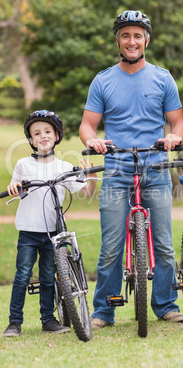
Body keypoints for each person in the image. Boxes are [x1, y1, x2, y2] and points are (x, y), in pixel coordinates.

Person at [79, 10, 183, 328]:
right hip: (116, 171)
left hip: (155, 170)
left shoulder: (162, 78)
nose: (131, 41)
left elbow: (179, 122)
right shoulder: (103, 80)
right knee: (111, 245)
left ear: (147, 40)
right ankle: (104, 311)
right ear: (118, 40)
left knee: (164, 244)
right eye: (125, 35)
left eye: (137, 35)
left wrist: (174, 135)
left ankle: (166, 304)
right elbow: (87, 125)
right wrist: (94, 141)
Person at [3, 110, 97, 337]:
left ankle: (48, 319)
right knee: (22, 275)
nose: (42, 136)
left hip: (53, 232)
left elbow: (86, 192)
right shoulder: (23, 165)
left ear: (56, 136)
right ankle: (14, 322)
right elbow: (14, 187)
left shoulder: (64, 167)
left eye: (47, 131)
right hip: (28, 231)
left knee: (48, 277)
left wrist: (88, 177)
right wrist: (13, 187)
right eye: (36, 133)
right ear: (31, 140)